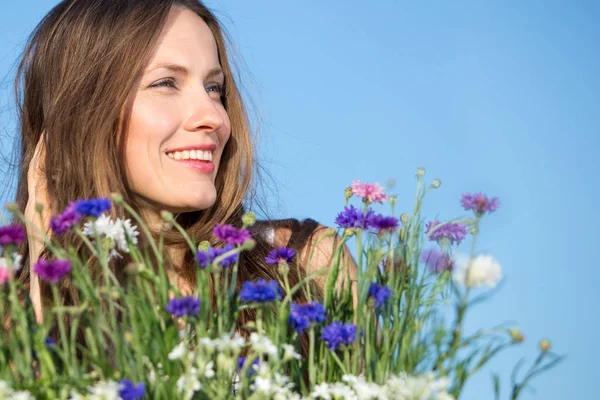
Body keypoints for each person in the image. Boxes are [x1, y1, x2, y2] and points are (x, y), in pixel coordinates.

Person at [6, 0, 357, 351]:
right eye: (166, 84)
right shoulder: (10, 311)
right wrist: (44, 288)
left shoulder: (304, 265)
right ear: (81, 114)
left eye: (214, 88)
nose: (215, 118)